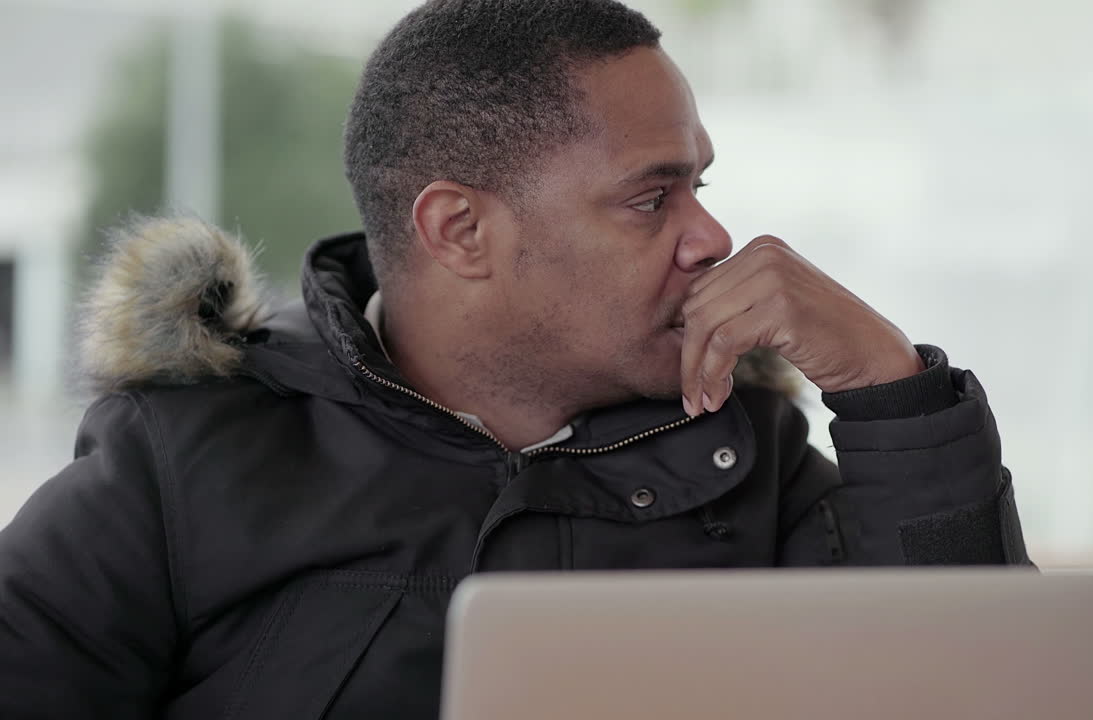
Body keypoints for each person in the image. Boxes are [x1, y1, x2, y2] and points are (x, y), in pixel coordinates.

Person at [0, 0, 1031, 717]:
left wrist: (894, 394)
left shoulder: (746, 452)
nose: (710, 240)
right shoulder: (190, 456)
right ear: (459, 231)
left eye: (698, 189)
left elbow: (986, 693)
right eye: (649, 196)